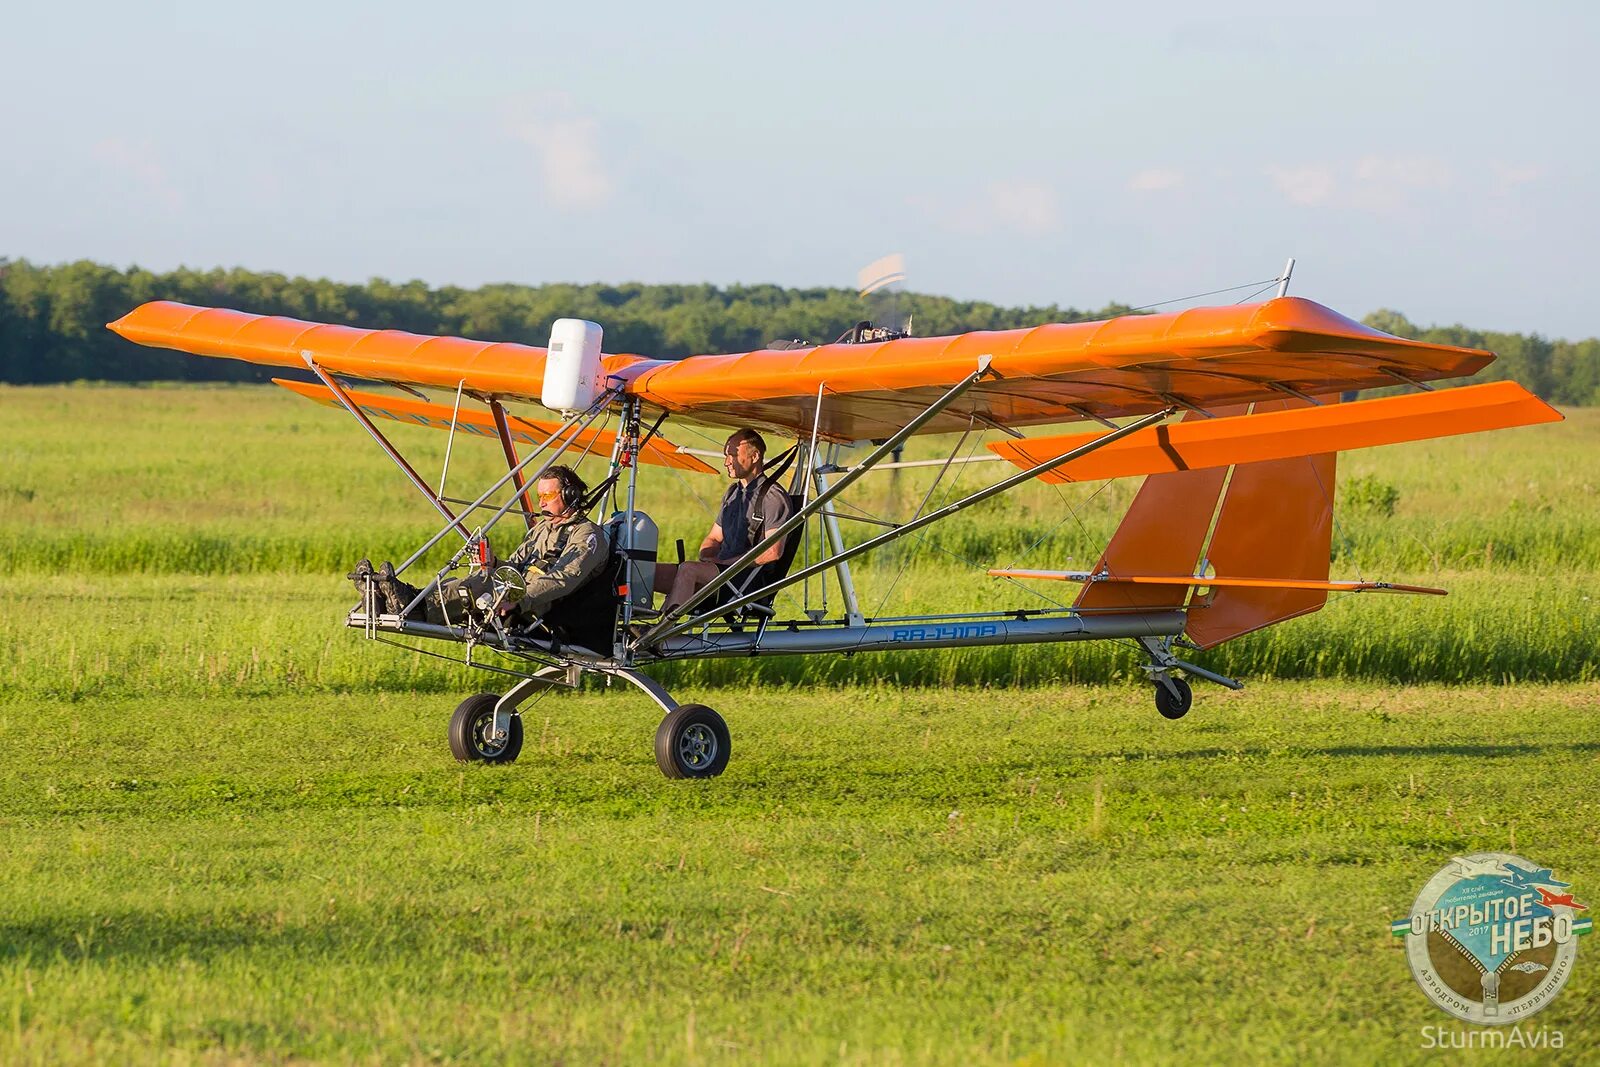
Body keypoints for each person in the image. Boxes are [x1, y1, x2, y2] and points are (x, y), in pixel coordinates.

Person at [352, 466, 610, 635]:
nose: (541, 502)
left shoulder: (588, 535)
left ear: (570, 494)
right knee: (475, 579)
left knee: (480, 585)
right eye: (539, 496)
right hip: (514, 594)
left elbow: (562, 579)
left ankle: (407, 605)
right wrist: (494, 562)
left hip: (542, 608)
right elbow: (514, 566)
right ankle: (389, 600)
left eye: (549, 495)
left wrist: (519, 599)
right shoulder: (541, 529)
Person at [655, 428, 794, 614]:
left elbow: (773, 552)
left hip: (744, 581)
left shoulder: (773, 496)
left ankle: (662, 633)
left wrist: (730, 563)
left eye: (733, 455)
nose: (726, 462)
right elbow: (713, 537)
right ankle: (637, 625)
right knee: (646, 572)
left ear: (755, 457)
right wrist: (707, 556)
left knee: (688, 569)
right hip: (719, 572)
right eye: (725, 455)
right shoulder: (733, 493)